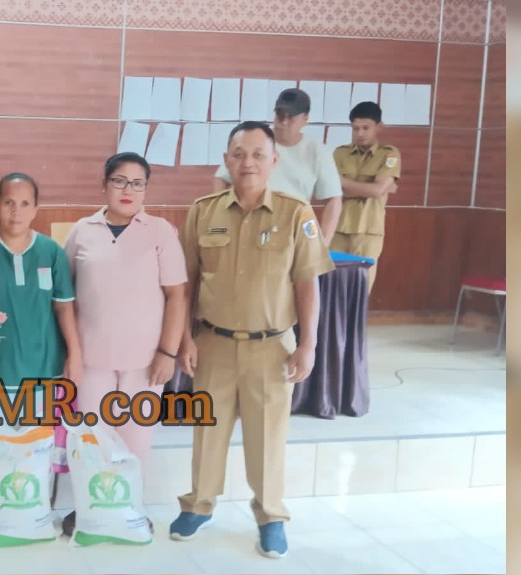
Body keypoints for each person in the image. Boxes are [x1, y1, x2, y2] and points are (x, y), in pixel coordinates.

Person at [171, 121, 334, 559]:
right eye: (239, 154)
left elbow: (307, 283)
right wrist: (184, 338)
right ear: (226, 159)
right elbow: (185, 283)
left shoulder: (296, 214)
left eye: (258, 154)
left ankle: (270, 516)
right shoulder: (203, 211)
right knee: (207, 431)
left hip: (271, 347)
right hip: (213, 343)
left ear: (273, 160)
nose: (248, 162)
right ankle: (198, 505)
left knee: (268, 438)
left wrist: (308, 344)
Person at [60, 151, 188, 536]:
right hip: (91, 360)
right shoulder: (82, 231)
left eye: (137, 183)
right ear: (104, 185)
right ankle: (90, 512)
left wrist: (168, 352)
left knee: (135, 443)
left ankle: (129, 509)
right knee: (91, 441)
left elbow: (177, 296)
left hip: (145, 363)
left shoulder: (160, 232)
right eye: (119, 181)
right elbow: (64, 297)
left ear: (146, 189)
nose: (127, 190)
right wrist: (70, 353)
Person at [0, 172, 84, 540]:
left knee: (38, 449)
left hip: (43, 370)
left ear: (36, 209)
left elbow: (64, 308)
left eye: (25, 203)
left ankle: (34, 515)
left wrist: (74, 355)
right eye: (9, 202)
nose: (16, 211)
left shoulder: (51, 253)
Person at [213, 88, 343, 244]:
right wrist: (222, 215)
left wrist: (323, 243)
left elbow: (333, 199)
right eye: (280, 116)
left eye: (291, 118)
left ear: (305, 119)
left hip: (292, 228)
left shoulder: (317, 151)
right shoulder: (257, 140)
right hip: (248, 222)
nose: (284, 123)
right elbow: (221, 177)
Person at [331, 101, 401, 292]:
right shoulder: (340, 153)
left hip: (368, 230)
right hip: (338, 228)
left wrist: (344, 183)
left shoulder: (389, 154)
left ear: (379, 127)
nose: (360, 133)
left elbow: (377, 191)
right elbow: (330, 189)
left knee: (360, 289)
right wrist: (372, 188)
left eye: (365, 128)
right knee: (333, 286)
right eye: (355, 128)